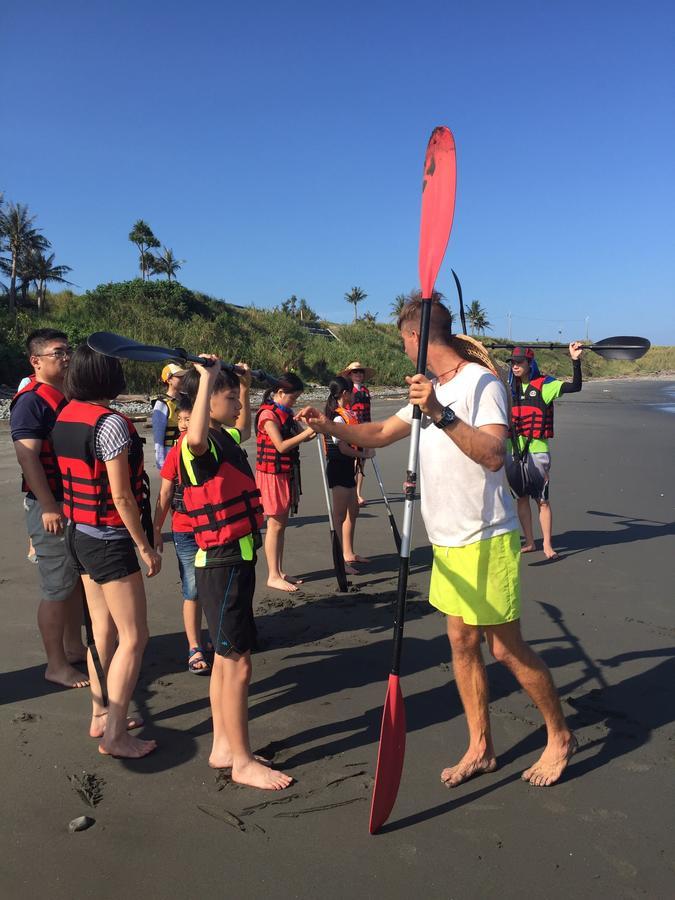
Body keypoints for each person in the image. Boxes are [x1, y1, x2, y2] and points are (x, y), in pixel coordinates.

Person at [297, 299, 577, 788]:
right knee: (462, 644)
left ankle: (559, 736)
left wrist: (439, 413)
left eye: (402, 340)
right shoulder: (429, 391)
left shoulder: (480, 384)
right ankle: (481, 746)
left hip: (485, 537)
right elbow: (381, 432)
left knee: (506, 650)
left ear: (415, 338)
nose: (403, 349)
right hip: (446, 541)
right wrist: (329, 427)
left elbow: (493, 454)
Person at [178, 359, 292, 790]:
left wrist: (240, 382)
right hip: (222, 563)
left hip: (232, 562)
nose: (235, 405)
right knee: (239, 664)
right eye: (228, 398)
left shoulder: (225, 438)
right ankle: (242, 762)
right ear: (207, 402)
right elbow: (195, 436)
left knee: (226, 662)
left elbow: (241, 427)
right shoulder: (198, 445)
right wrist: (208, 380)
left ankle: (224, 746)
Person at [52, 344, 160, 758]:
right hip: (108, 539)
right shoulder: (110, 424)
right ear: (107, 377)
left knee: (103, 631)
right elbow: (122, 496)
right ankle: (116, 734)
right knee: (135, 636)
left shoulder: (65, 414)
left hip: (77, 532)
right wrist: (145, 546)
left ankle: (101, 714)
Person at [10, 329, 88, 689]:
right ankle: (55, 664)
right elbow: (27, 456)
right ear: (36, 361)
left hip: (72, 501)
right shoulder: (31, 401)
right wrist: (47, 506)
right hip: (52, 503)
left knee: (72, 581)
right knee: (57, 585)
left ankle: (74, 648)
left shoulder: (65, 394)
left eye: (68, 351)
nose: (67, 357)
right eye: (58, 353)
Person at [505, 343, 583, 560]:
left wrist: (575, 360)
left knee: (542, 500)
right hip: (513, 451)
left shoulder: (544, 386)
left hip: (537, 451)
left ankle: (547, 545)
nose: (515, 366)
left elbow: (575, 386)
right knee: (521, 498)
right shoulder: (507, 389)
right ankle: (530, 542)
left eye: (520, 362)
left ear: (530, 364)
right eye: (513, 363)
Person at [153, 394, 211, 674]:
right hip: (186, 530)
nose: (189, 426)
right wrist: (155, 529)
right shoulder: (176, 451)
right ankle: (194, 646)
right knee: (192, 588)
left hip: (214, 530)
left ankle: (216, 635)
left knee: (215, 585)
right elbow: (164, 494)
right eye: (184, 420)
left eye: (194, 420)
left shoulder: (214, 446)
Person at [254, 373, 315, 593]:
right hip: (271, 475)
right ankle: (272, 575)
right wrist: (307, 432)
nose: (294, 402)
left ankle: (279, 571)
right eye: (293, 398)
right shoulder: (267, 415)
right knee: (275, 525)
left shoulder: (285, 413)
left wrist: (314, 426)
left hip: (285, 473)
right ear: (280, 393)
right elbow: (280, 446)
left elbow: (304, 436)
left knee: (281, 525)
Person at [323, 376, 374, 575]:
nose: (354, 395)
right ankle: (340, 561)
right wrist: (363, 454)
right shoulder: (337, 418)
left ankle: (348, 553)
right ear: (345, 394)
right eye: (351, 392)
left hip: (348, 469)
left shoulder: (349, 414)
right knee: (339, 515)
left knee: (353, 510)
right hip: (338, 468)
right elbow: (343, 448)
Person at [339, 361, 375, 507]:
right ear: (349, 375)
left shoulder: (365, 391)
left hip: (364, 430)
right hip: (351, 430)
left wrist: (371, 430)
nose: (358, 374)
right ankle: (350, 492)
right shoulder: (346, 392)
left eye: (361, 372)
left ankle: (358, 493)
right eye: (355, 372)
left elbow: (368, 414)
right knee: (352, 462)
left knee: (361, 464)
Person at [152, 363, 187, 469]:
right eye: (179, 376)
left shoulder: (187, 399)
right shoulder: (162, 404)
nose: (182, 379)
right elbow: (158, 436)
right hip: (171, 452)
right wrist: (161, 463)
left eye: (183, 376)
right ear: (169, 380)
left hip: (186, 449)